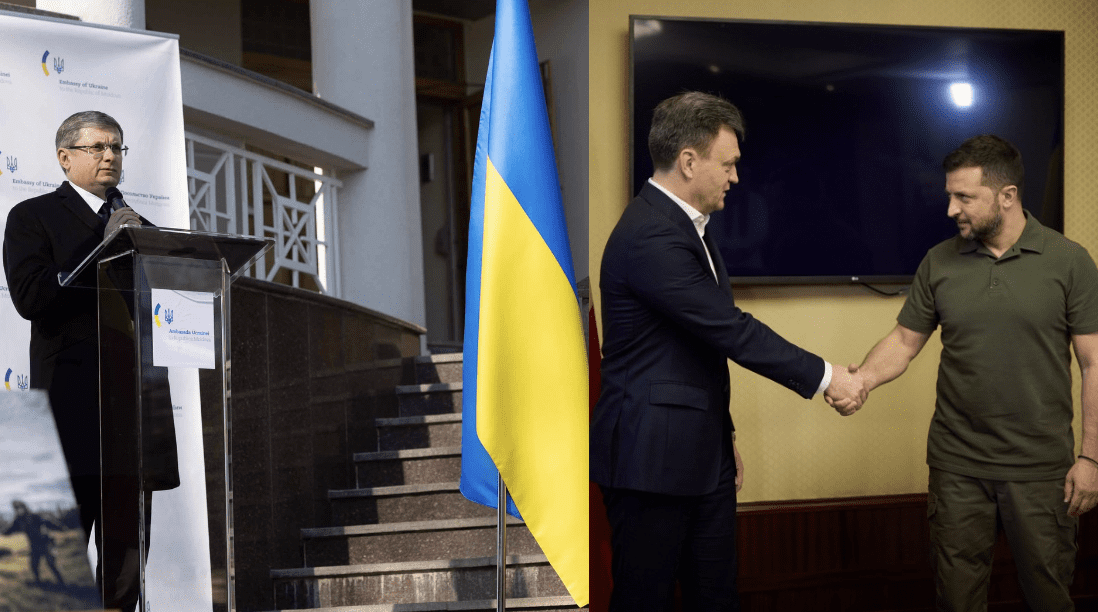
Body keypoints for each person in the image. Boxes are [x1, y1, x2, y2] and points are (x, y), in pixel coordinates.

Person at [590, 91, 866, 611]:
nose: (736, 177)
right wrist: (830, 377)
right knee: (645, 601)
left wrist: (722, 434)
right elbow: (730, 330)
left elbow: (694, 349)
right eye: (729, 164)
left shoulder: (689, 226)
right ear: (688, 161)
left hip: (702, 452)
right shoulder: (650, 234)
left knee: (716, 598)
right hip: (649, 461)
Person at [848, 134, 1098, 611]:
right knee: (957, 600)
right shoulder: (939, 261)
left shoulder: (1069, 261)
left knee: (1049, 598)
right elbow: (903, 341)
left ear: (1007, 196)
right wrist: (860, 382)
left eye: (964, 197)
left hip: (1041, 470)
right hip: (957, 467)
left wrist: (1091, 458)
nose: (951, 209)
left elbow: (1094, 363)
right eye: (950, 196)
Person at [2, 110, 179, 611]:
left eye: (117, 147)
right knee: (52, 569)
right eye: (97, 146)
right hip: (68, 408)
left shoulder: (138, 226)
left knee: (125, 564)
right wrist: (103, 247)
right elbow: (32, 297)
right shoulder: (33, 216)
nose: (110, 156)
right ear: (65, 157)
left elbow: (175, 289)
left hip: (135, 409)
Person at [2, 500, 66, 586]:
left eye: (19, 507)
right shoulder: (18, 521)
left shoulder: (34, 516)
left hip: (45, 542)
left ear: (24, 507)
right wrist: (3, 532)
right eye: (16, 508)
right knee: (34, 565)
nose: (18, 510)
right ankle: (38, 582)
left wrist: (60, 527)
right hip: (34, 545)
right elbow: (10, 530)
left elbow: (47, 522)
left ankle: (61, 582)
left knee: (51, 563)